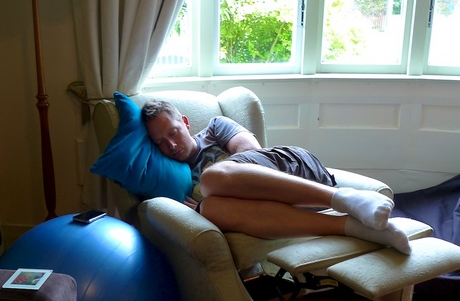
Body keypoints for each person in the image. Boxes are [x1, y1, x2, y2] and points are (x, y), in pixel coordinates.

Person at [141, 100, 411, 255]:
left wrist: (216, 183)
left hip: (294, 170)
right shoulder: (171, 174)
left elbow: (252, 153)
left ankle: (344, 198)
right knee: (210, 207)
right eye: (160, 142)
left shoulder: (214, 128)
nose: (171, 145)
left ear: (185, 122)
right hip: (280, 213)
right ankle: (355, 228)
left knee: (211, 180)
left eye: (173, 132)